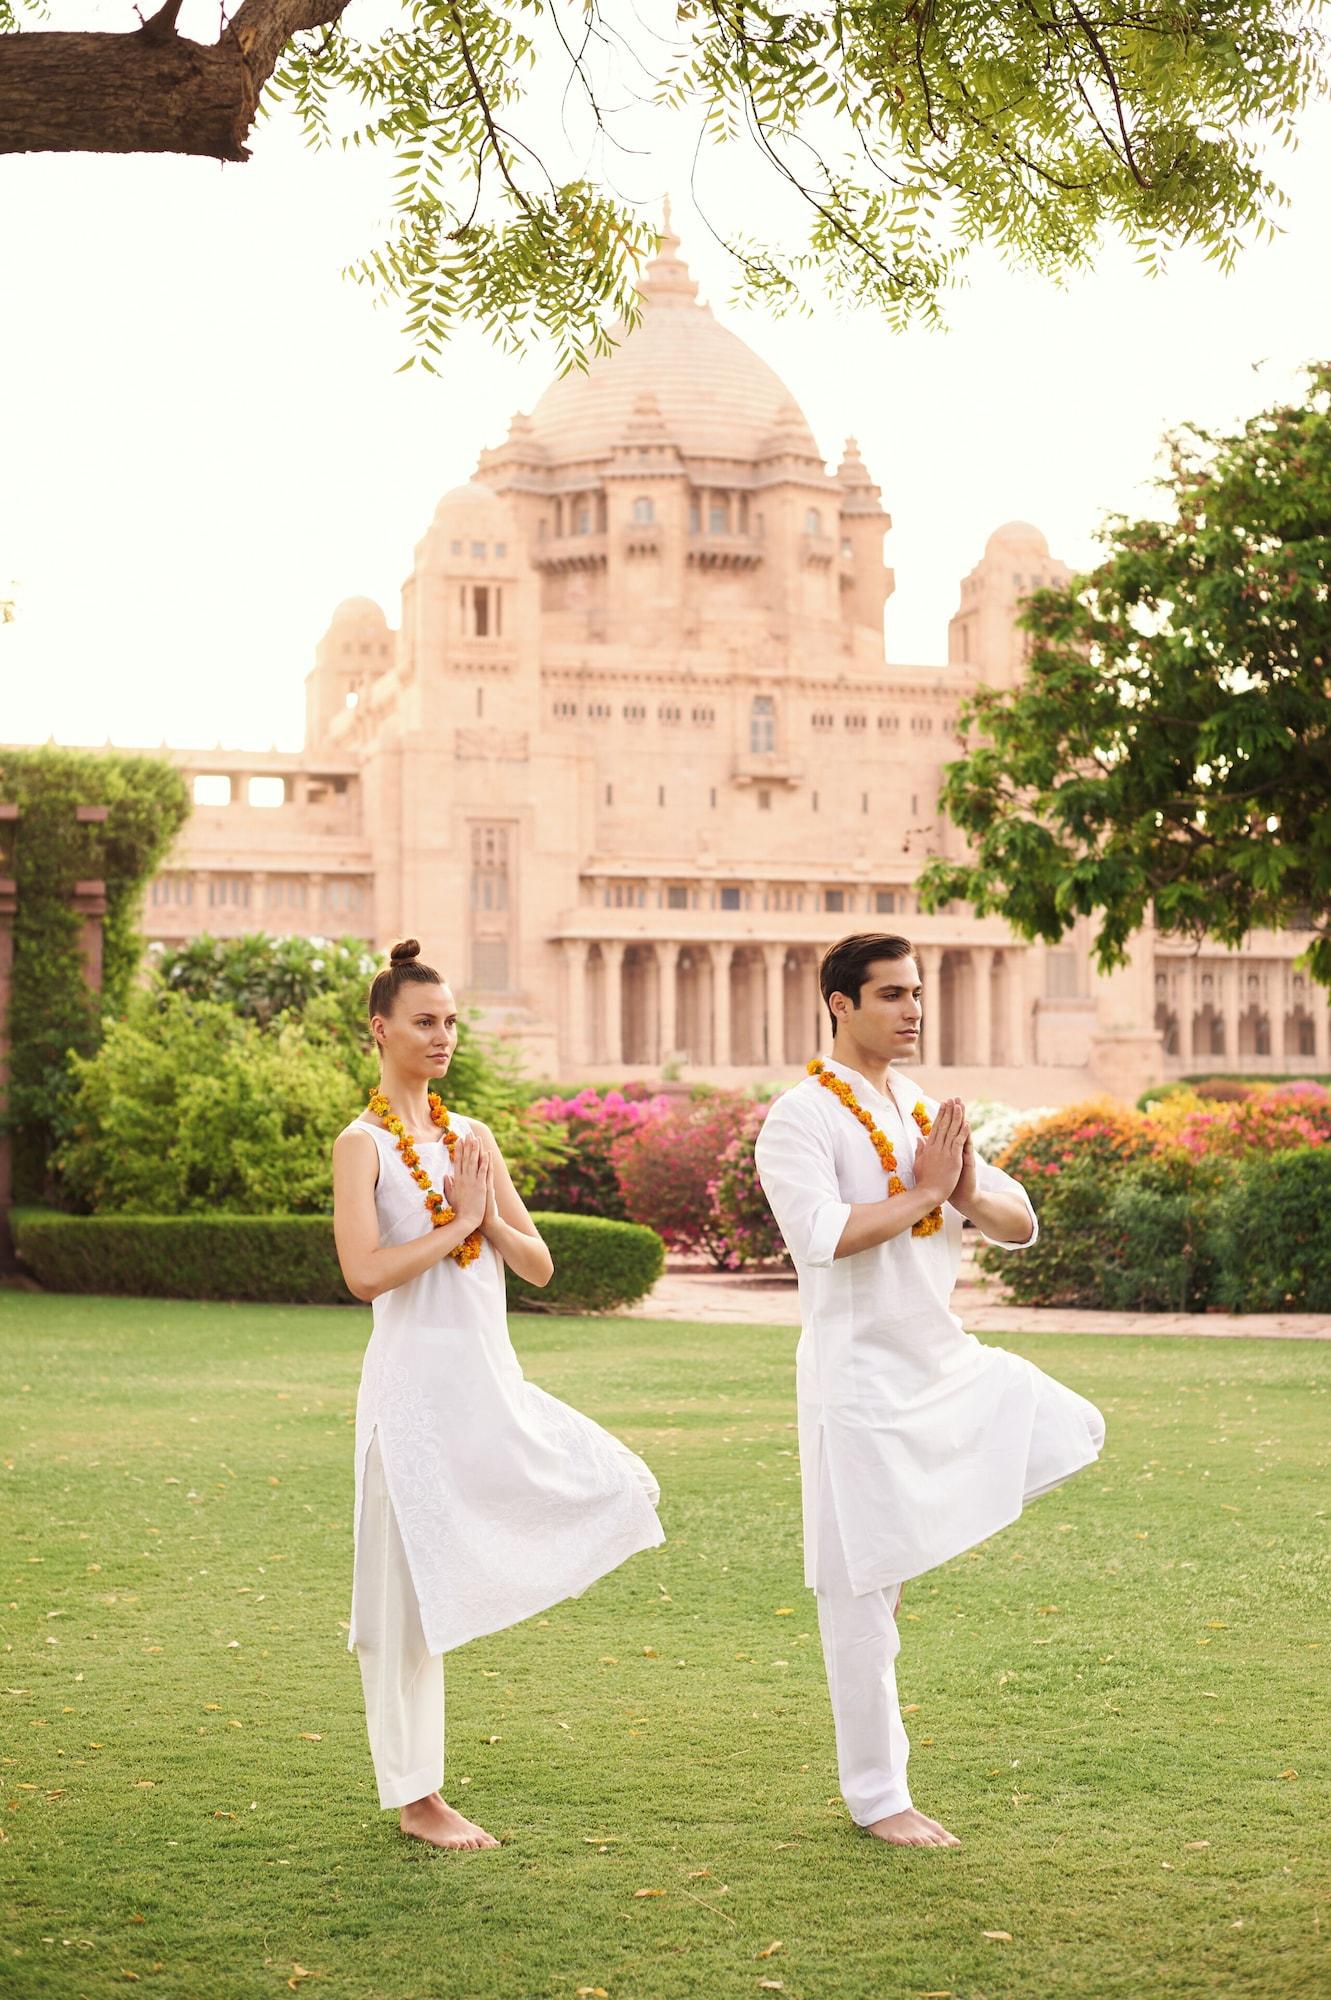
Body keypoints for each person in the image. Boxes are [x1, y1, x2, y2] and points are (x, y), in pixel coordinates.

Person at [754, 932, 1105, 1851]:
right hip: (857, 1382)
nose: (911, 1009)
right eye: (890, 995)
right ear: (839, 1004)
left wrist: (959, 1186)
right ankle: (880, 1798)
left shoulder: (919, 1107)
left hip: (941, 1363)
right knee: (859, 1594)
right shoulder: (798, 1118)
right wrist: (924, 1196)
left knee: (1071, 1424)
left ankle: (909, 1534)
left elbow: (1016, 1219)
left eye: (916, 993)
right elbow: (821, 1234)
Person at [332, 939, 664, 1851]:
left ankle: (498, 1593)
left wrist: (486, 1217)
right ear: (381, 1029)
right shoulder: (361, 1145)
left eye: (450, 1022)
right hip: (410, 1394)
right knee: (403, 1601)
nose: (442, 1037)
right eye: (424, 1022)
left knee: (621, 1483)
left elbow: (540, 1263)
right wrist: (457, 1226)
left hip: (488, 1383)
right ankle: (417, 1797)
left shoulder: (470, 1135)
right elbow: (364, 1274)